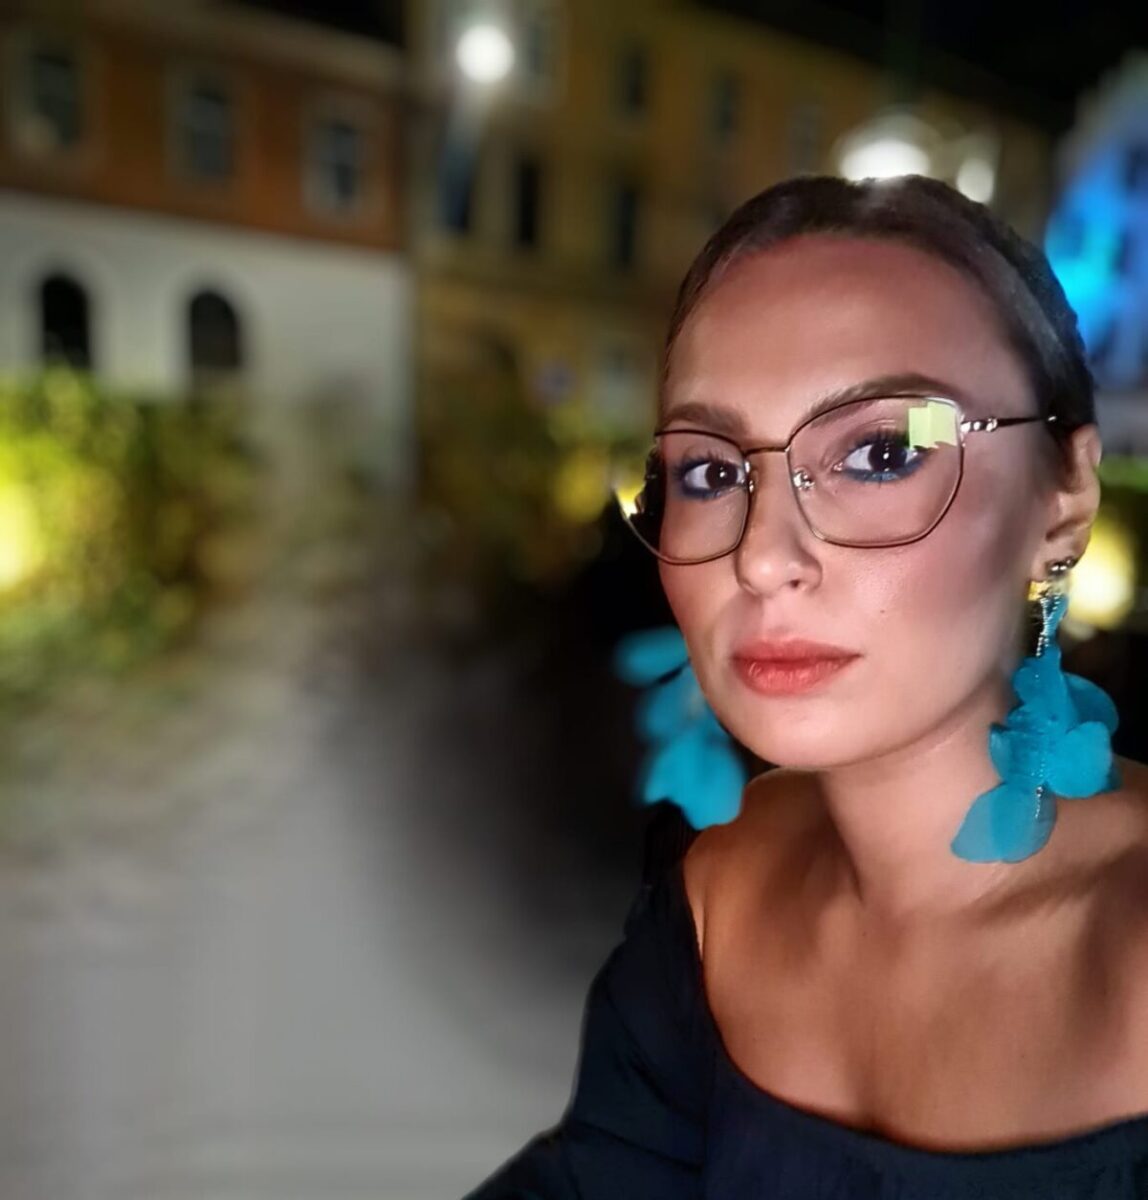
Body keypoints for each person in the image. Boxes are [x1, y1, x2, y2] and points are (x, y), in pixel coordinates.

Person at [462, 174, 1148, 1198]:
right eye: (708, 473)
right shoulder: (713, 900)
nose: (760, 557)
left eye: (880, 452)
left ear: (1062, 501)